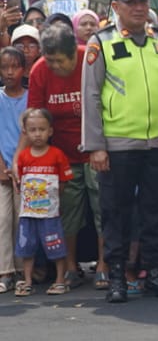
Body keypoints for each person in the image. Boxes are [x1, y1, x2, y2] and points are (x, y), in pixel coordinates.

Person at [80, 0, 158, 303]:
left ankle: (156, 273)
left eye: (143, 1)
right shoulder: (100, 42)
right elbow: (90, 95)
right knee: (116, 212)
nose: (139, 7)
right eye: (131, 2)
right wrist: (96, 145)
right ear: (115, 7)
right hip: (118, 144)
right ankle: (116, 276)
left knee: (157, 210)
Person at [32, 23, 94, 287]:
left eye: (60, 61)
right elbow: (33, 118)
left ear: (73, 53)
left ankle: (104, 263)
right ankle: (70, 266)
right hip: (62, 154)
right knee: (68, 212)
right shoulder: (39, 71)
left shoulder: (91, 59)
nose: (54, 66)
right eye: (50, 60)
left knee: (104, 209)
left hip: (95, 150)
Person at [12, 108, 73, 296]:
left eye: (42, 129)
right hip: (28, 213)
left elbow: (64, 182)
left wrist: (53, 200)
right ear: (25, 132)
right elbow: (20, 183)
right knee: (27, 246)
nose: (37, 134)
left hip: (50, 213)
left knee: (55, 244)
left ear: (50, 131)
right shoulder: (23, 157)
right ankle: (28, 280)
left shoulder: (57, 155)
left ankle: (60, 279)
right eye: (32, 130)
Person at [0, 46, 26, 294]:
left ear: (23, 69)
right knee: (2, 219)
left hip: (26, 170)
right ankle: (5, 270)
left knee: (22, 220)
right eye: (4, 67)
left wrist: (19, 166)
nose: (9, 72)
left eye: (14, 66)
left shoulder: (31, 98)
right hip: (1, 169)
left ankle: (22, 270)